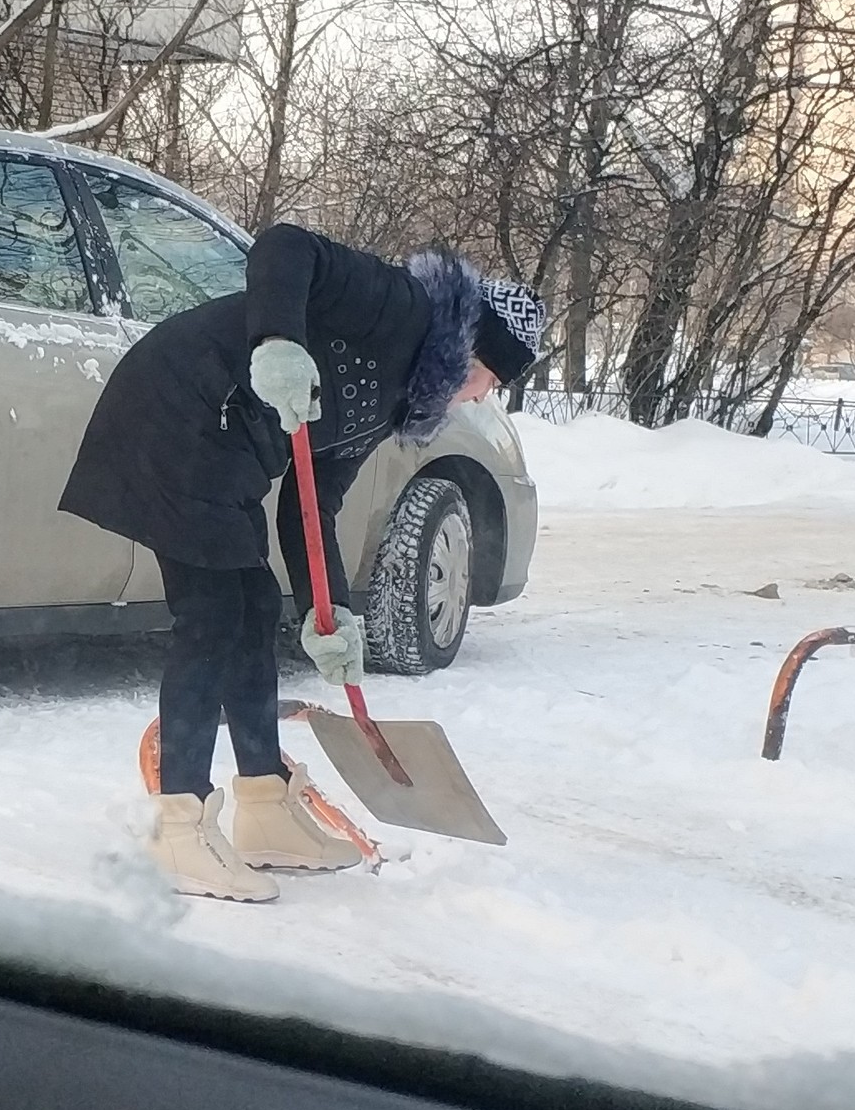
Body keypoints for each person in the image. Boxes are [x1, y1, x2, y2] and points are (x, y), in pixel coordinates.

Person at [59, 222, 545, 902]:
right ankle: (179, 825)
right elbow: (286, 246)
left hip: (225, 442)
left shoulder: (397, 400)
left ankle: (263, 801)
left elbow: (310, 509)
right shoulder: (399, 306)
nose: (482, 396)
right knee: (215, 614)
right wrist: (279, 342)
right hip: (177, 406)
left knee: (255, 605)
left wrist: (331, 610)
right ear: (471, 348)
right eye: (490, 376)